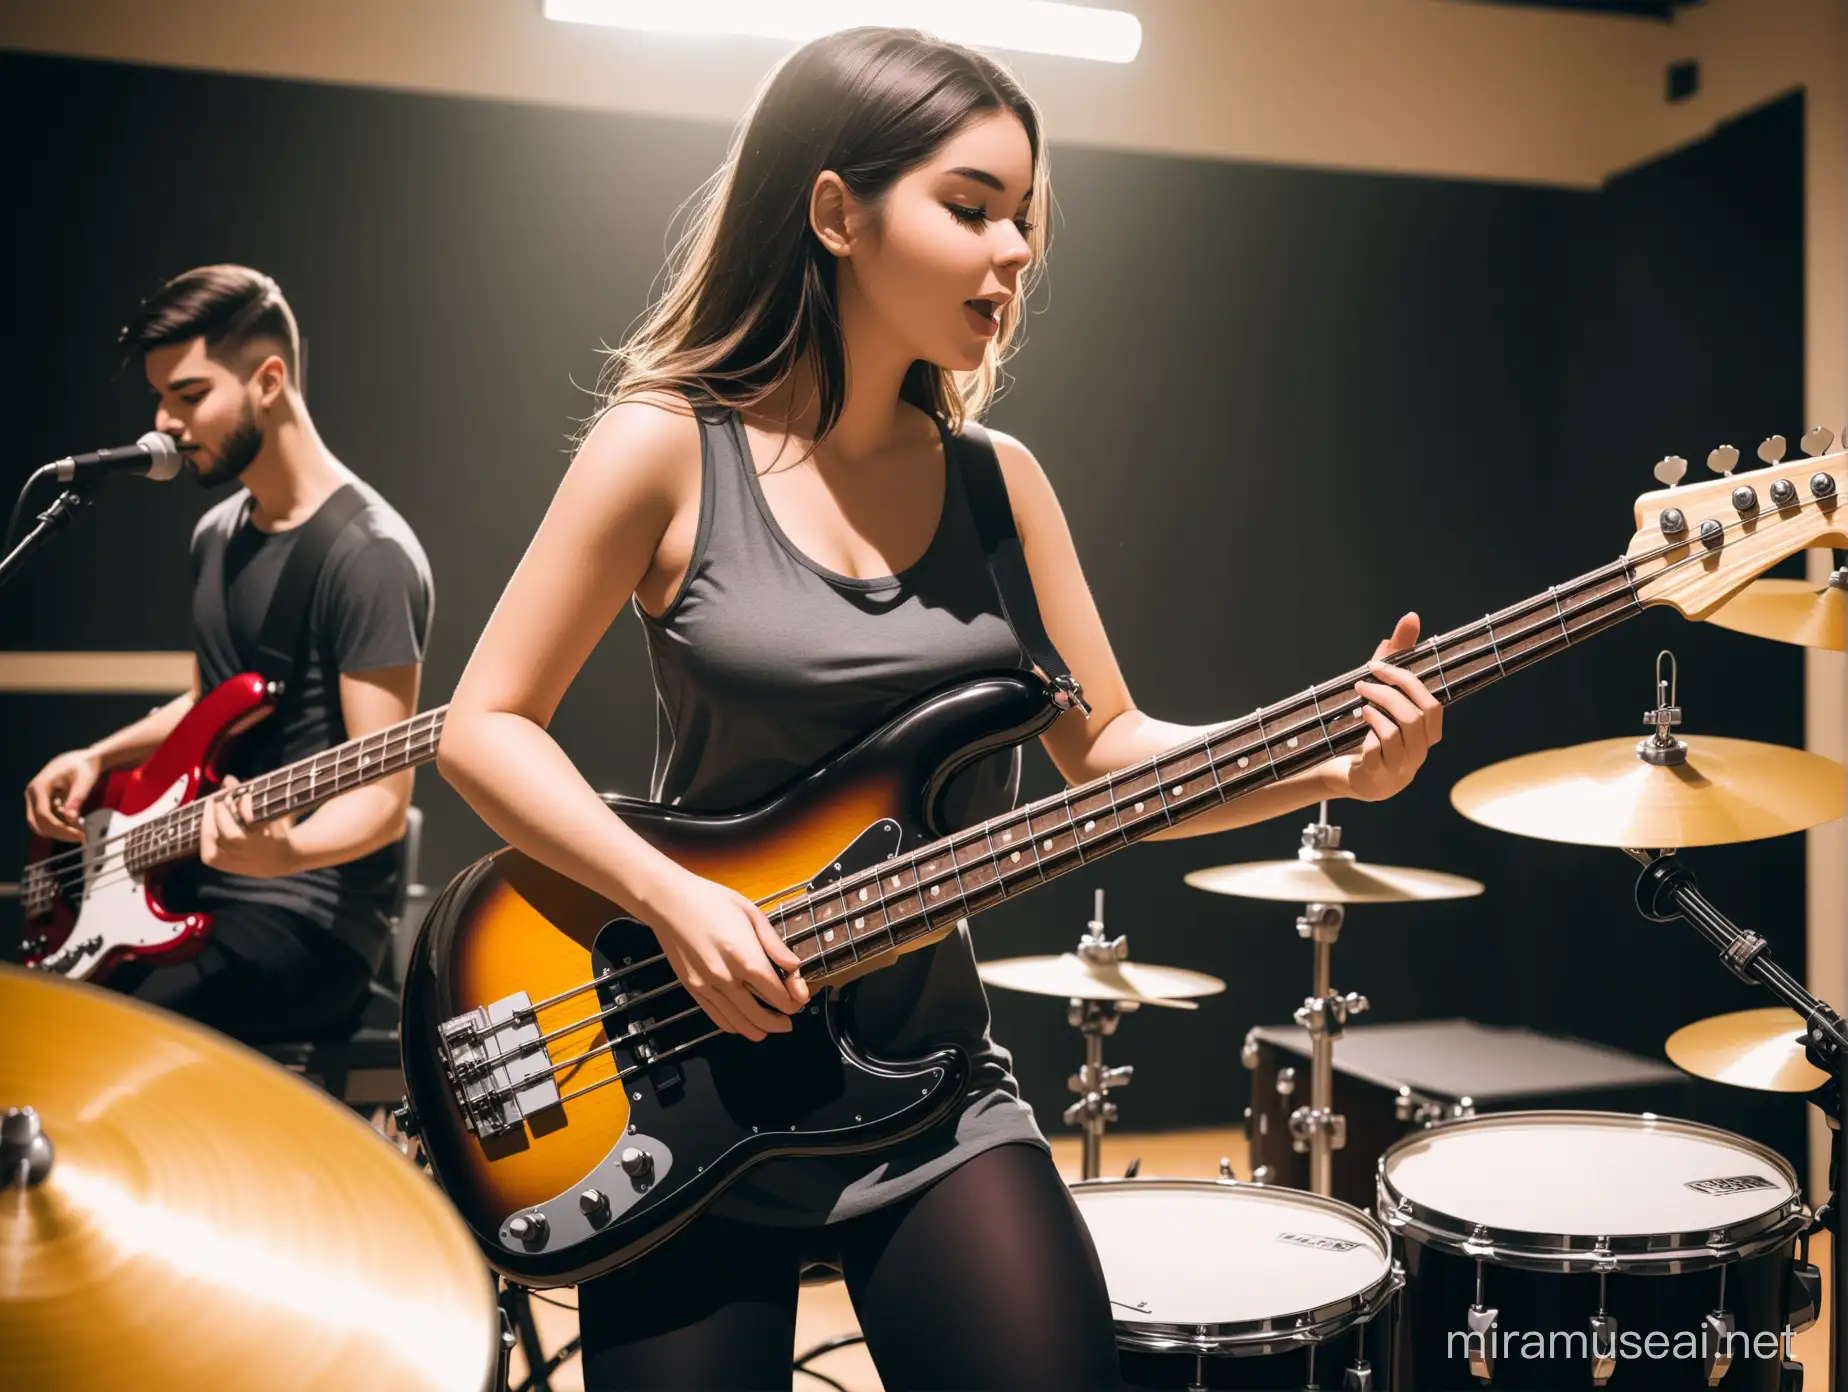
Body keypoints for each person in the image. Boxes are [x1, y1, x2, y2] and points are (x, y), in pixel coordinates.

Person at [435, 27, 1441, 1391]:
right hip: (684, 1084)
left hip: (930, 1091)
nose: (1016, 249)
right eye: (970, 207)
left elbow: (1119, 760)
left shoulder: (999, 488)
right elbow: (482, 725)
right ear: (837, 212)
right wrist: (678, 903)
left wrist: (1334, 767)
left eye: (1022, 217)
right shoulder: (666, 446)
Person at [23, 265, 434, 1044]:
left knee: (98, 1039)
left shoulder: (370, 554)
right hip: (197, 890)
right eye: (160, 398)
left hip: (310, 916)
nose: (164, 423)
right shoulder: (214, 535)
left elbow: (381, 798)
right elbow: (205, 699)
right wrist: (93, 755)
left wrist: (289, 851)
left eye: (188, 395)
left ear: (269, 380)